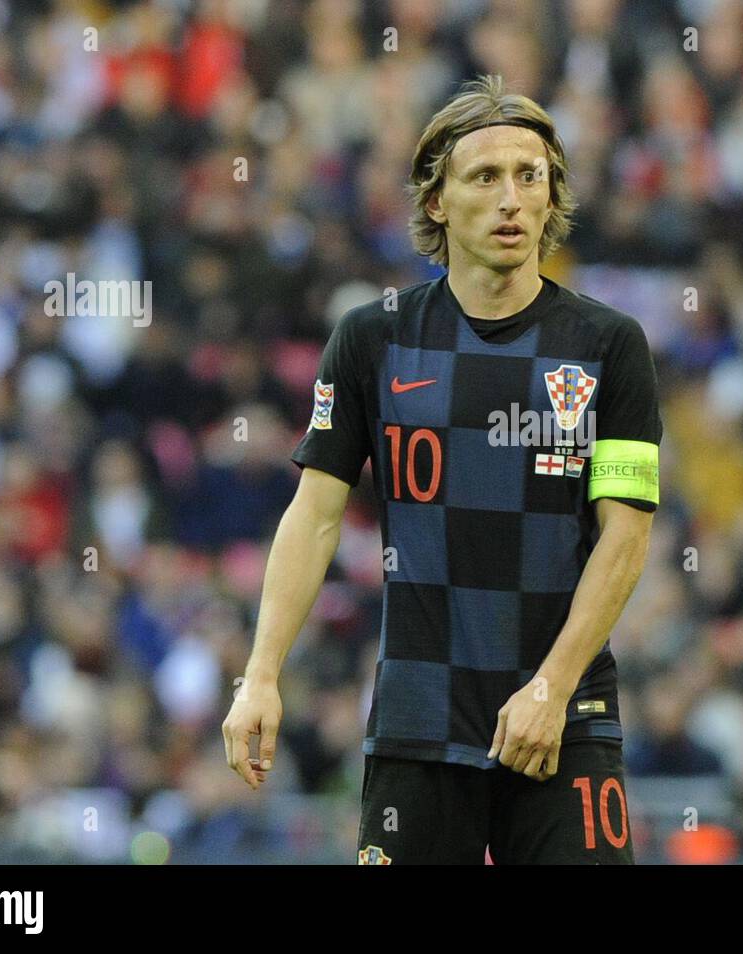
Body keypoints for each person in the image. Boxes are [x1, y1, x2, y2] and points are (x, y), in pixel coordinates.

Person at [222, 74, 662, 864]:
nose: (512, 200)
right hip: (419, 720)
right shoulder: (373, 341)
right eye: (485, 177)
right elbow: (314, 515)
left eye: (531, 177)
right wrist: (260, 676)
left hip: (566, 715)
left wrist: (551, 688)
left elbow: (623, 540)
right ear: (436, 200)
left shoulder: (608, 345)